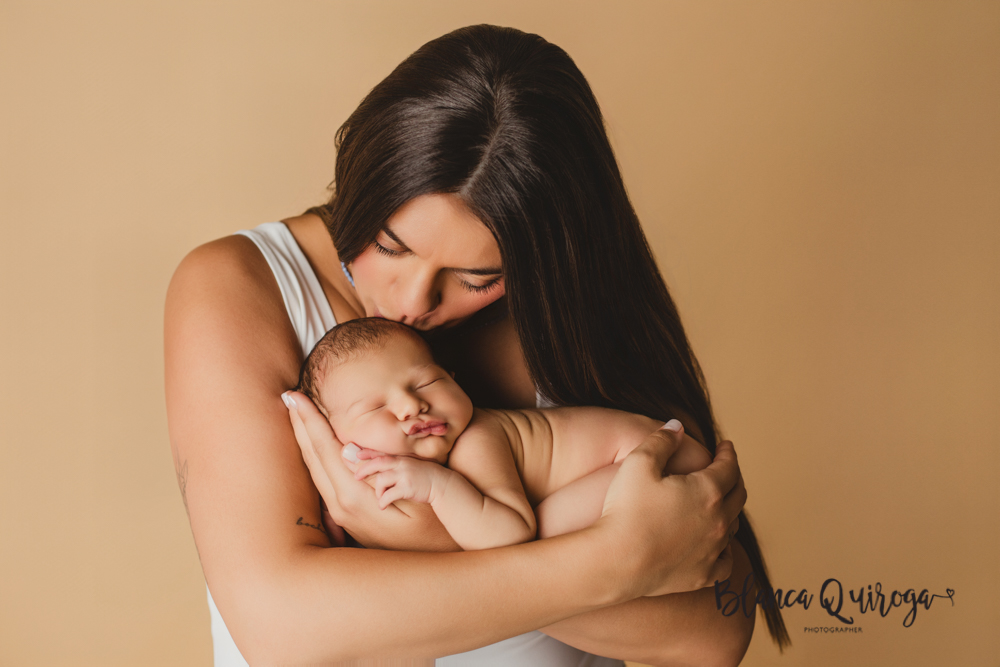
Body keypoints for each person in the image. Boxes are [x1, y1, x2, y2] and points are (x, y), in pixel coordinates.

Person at [165, 24, 787, 666]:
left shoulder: (562, 316)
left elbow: (712, 637)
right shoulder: (241, 287)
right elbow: (283, 628)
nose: (411, 303)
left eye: (477, 278)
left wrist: (430, 536)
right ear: (360, 177)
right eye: (389, 246)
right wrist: (619, 558)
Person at [293, 317, 713, 549]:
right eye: (377, 408)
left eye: (425, 383)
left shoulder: (476, 441)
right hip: (660, 464)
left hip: (656, 462)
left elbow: (508, 534)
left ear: (453, 379)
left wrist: (438, 488)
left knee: (539, 540)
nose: (411, 405)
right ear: (335, 440)